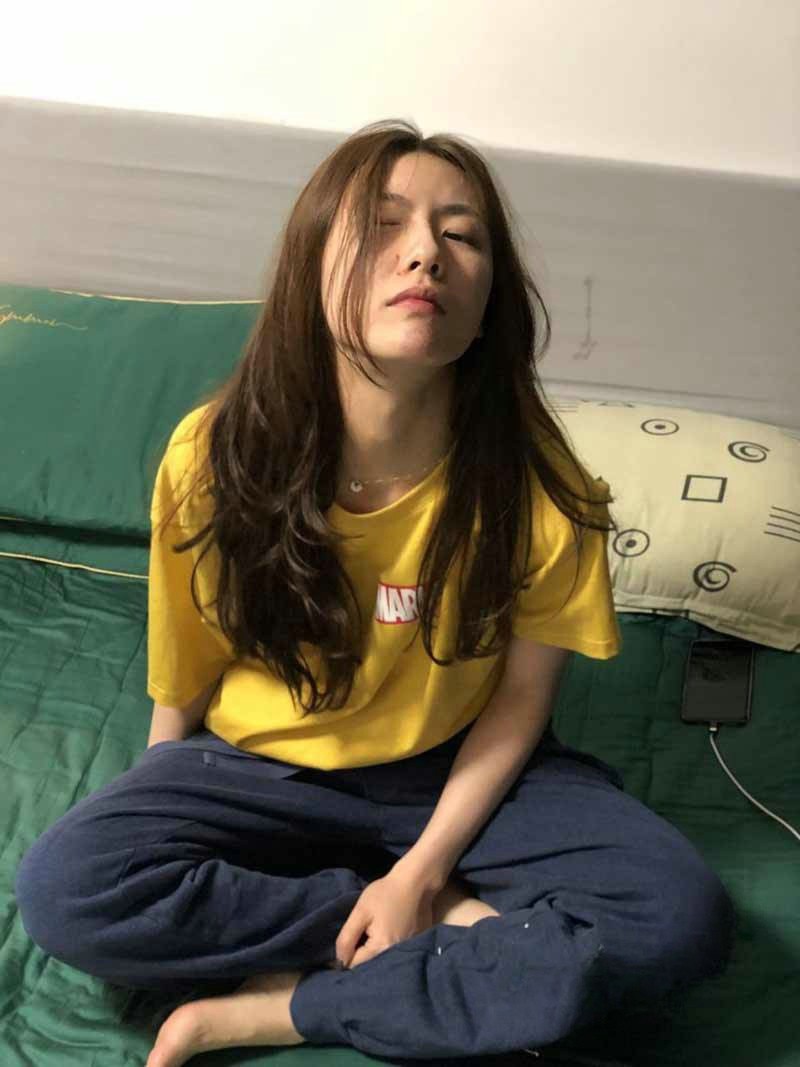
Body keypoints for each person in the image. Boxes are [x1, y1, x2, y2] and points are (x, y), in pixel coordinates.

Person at [14, 119, 735, 1067]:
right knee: (68, 889)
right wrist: (165, 807)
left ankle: (286, 1006)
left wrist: (423, 867)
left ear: (490, 298)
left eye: (461, 234)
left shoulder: (544, 487)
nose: (425, 252)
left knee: (679, 920)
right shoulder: (215, 455)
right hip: (265, 764)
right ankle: (448, 941)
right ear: (314, 266)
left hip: (453, 765)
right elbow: (183, 668)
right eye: (384, 226)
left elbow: (520, 704)